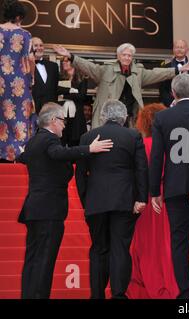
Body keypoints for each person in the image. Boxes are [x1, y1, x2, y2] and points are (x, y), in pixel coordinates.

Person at [17, 102, 113, 299]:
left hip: (34, 209)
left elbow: (26, 159)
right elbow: (57, 153)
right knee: (44, 261)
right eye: (62, 121)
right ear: (53, 121)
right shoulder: (49, 141)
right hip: (48, 211)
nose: (64, 125)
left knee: (33, 259)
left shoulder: (34, 141)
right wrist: (89, 149)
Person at [75, 100, 148, 299]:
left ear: (104, 116)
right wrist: (141, 198)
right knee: (120, 247)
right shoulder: (133, 135)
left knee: (98, 248)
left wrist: (85, 200)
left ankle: (96, 295)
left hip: (95, 201)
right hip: (124, 200)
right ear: (124, 117)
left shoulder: (87, 136)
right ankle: (118, 294)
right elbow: (141, 169)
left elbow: (80, 174)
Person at [53, 43, 189, 128]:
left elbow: (157, 73)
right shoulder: (106, 70)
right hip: (107, 117)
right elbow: (88, 66)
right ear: (118, 56)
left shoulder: (138, 72)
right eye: (124, 55)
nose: (127, 58)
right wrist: (71, 56)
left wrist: (178, 69)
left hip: (129, 118)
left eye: (129, 55)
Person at [149, 74, 189, 299]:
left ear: (173, 93)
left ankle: (186, 292)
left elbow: (157, 157)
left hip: (175, 186)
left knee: (179, 241)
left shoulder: (163, 117)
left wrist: (154, 191)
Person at [126, 102, 179, 299]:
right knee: (166, 243)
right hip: (166, 199)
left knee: (143, 243)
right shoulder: (173, 144)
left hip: (144, 199)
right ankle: (166, 283)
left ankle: (140, 284)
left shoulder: (139, 145)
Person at [0, 0, 36, 163]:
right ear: (19, 16)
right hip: (18, 83)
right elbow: (30, 59)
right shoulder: (25, 35)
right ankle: (19, 154)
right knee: (20, 117)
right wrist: (32, 78)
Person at [159, 40, 189, 107]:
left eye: (182, 47)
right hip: (170, 106)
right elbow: (162, 89)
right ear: (173, 50)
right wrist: (171, 103)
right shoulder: (165, 67)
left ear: (187, 50)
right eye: (177, 47)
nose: (179, 50)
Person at [59, 57, 88, 146]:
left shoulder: (82, 78)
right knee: (62, 140)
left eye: (66, 61)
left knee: (75, 141)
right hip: (62, 114)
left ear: (73, 63)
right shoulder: (60, 77)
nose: (64, 63)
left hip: (77, 115)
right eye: (62, 61)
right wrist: (71, 91)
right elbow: (57, 92)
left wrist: (64, 95)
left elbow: (81, 96)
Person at [31, 37, 60, 115]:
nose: (39, 48)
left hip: (50, 113)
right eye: (36, 45)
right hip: (32, 111)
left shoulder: (53, 66)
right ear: (30, 48)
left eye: (41, 45)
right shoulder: (25, 66)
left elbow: (55, 90)